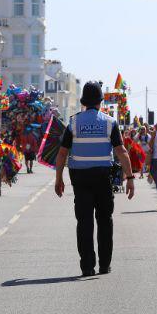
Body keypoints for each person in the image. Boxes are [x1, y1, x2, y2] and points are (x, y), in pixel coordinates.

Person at [54, 82, 135, 277]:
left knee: (84, 222)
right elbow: (121, 152)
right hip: (103, 177)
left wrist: (59, 179)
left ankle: (87, 267)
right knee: (105, 220)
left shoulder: (73, 122)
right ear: (100, 101)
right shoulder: (110, 122)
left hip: (80, 178)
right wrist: (130, 177)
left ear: (83, 101)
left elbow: (62, 153)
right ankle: (105, 265)